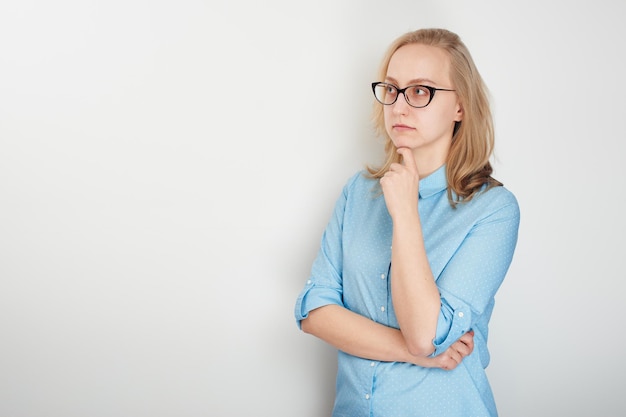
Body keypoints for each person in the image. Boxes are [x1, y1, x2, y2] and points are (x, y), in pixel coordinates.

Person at [294, 28, 520, 417]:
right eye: (392, 89)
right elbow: (314, 311)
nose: (399, 107)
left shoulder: (493, 210)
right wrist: (420, 355)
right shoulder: (358, 193)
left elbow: (425, 333)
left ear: (461, 106)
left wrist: (405, 214)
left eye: (421, 91)